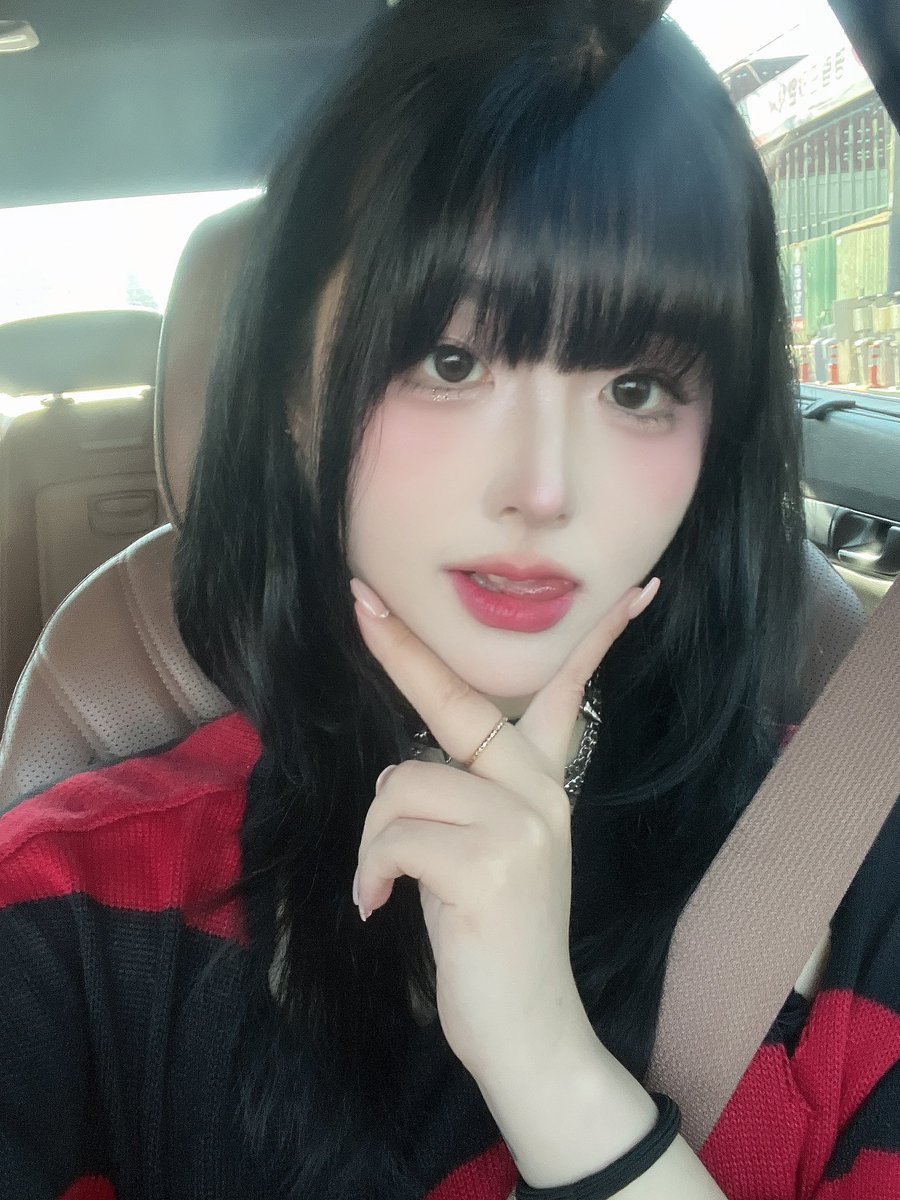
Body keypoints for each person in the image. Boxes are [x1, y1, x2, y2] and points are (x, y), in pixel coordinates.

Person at [1, 2, 899, 1198]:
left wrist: (553, 1071)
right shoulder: (75, 905)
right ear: (292, 394)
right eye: (451, 360)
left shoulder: (852, 866)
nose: (543, 490)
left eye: (637, 386)